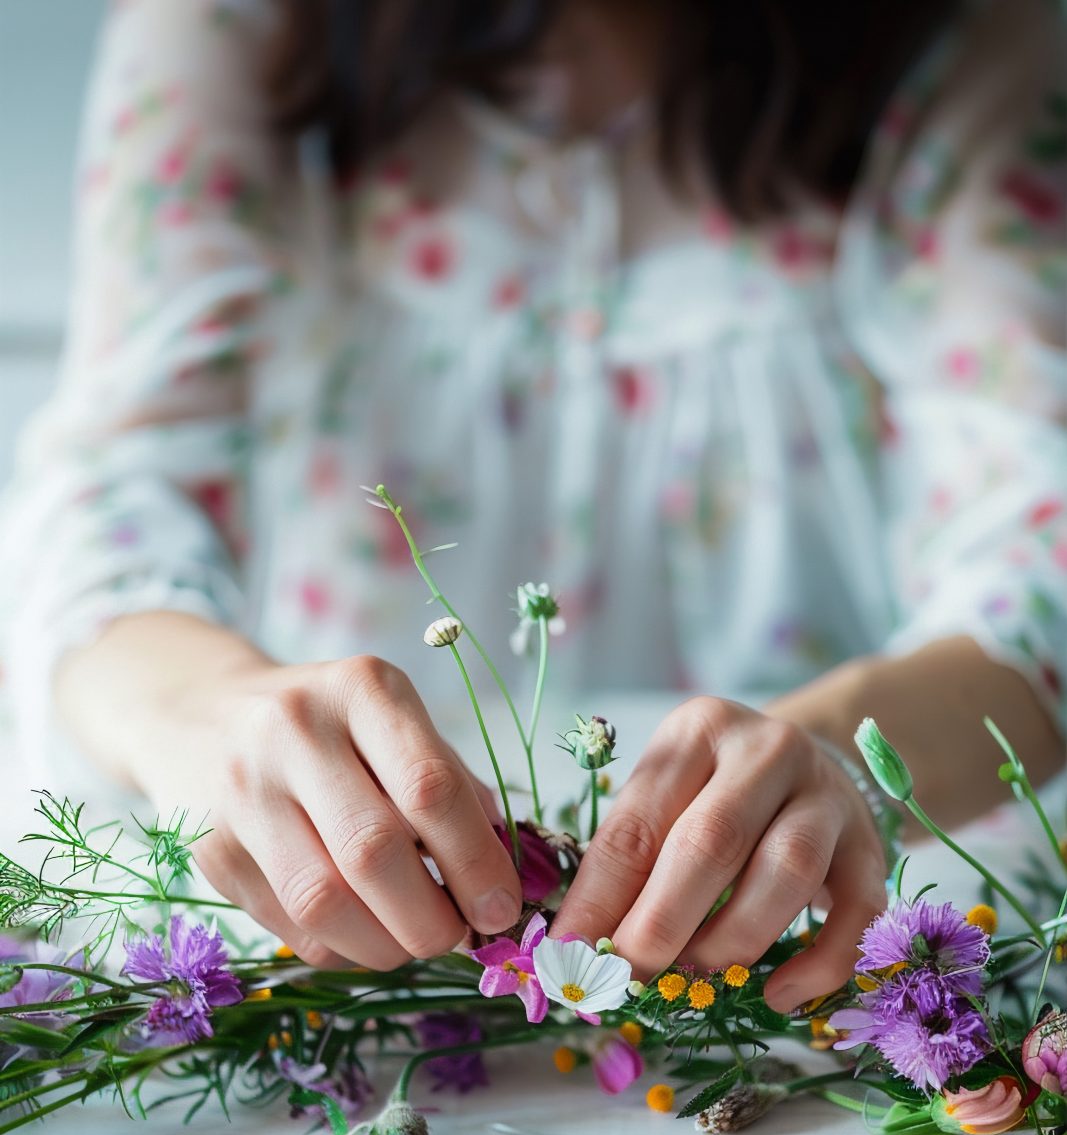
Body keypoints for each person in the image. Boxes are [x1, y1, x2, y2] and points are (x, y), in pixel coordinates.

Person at [0, 0, 1063, 1012]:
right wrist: (209, 711)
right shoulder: (245, 27)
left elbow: (1041, 537)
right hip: (337, 952)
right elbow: (115, 482)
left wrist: (836, 762)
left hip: (808, 957)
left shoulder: (965, 38)